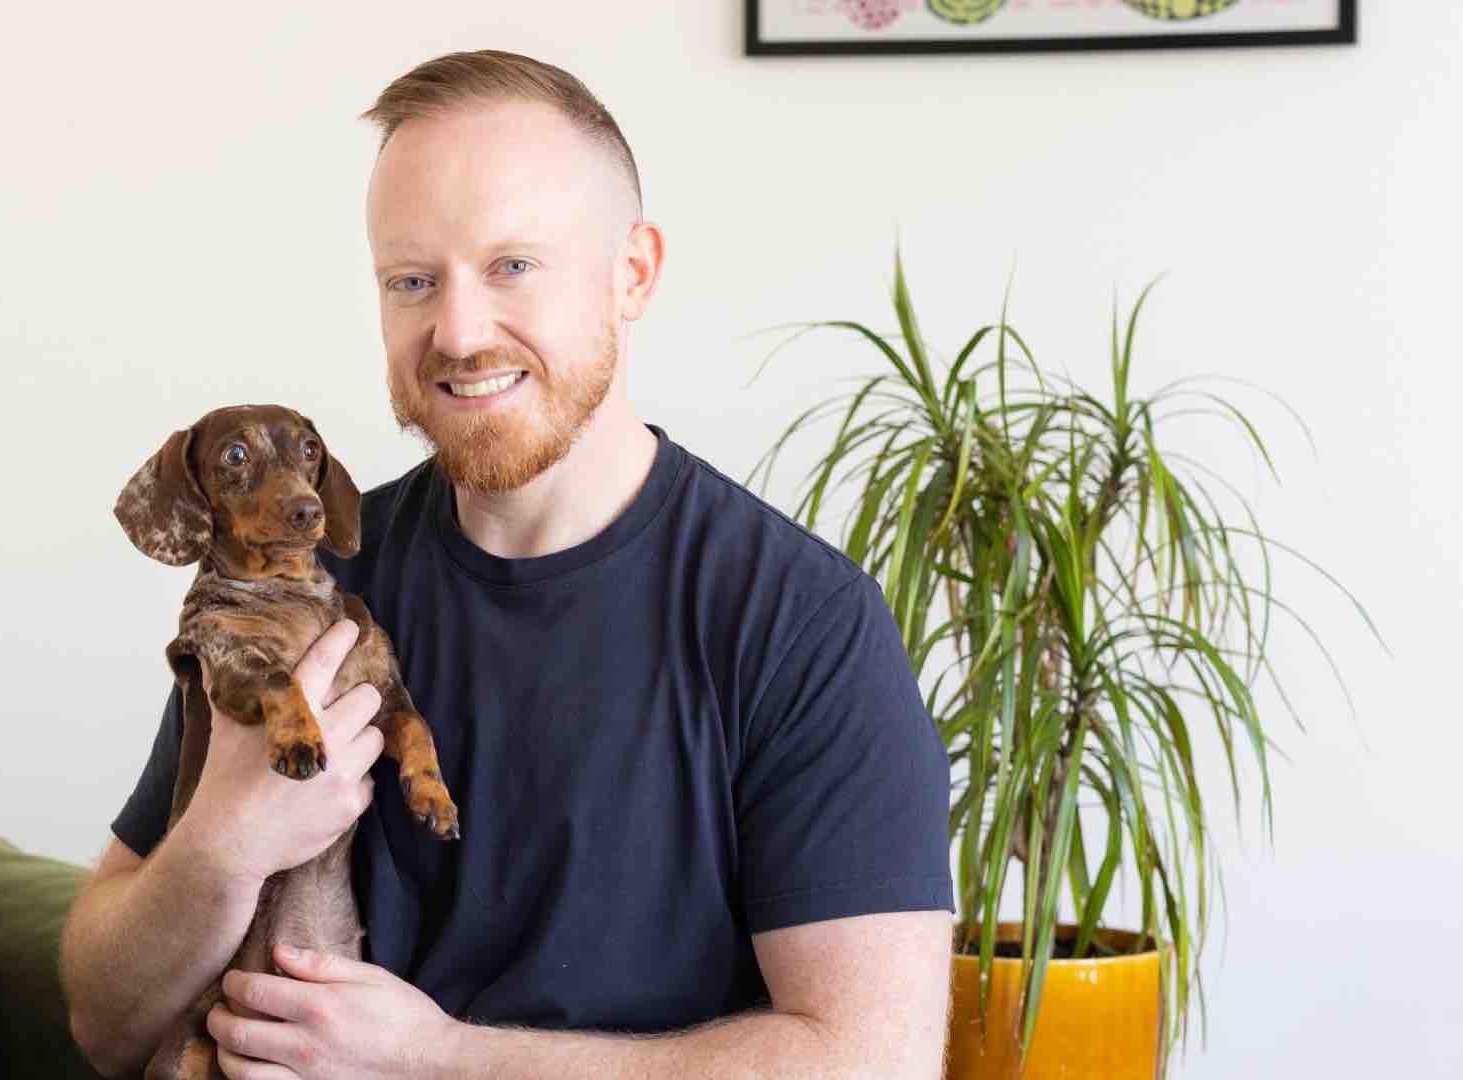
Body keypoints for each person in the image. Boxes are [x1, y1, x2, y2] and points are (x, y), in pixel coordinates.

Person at [61, 49, 954, 1079]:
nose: (459, 330)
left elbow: (872, 1062)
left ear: (633, 273)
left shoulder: (800, 623)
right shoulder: (299, 589)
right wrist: (220, 846)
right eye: (412, 280)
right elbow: (103, 1021)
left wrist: (440, 1058)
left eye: (513, 265)